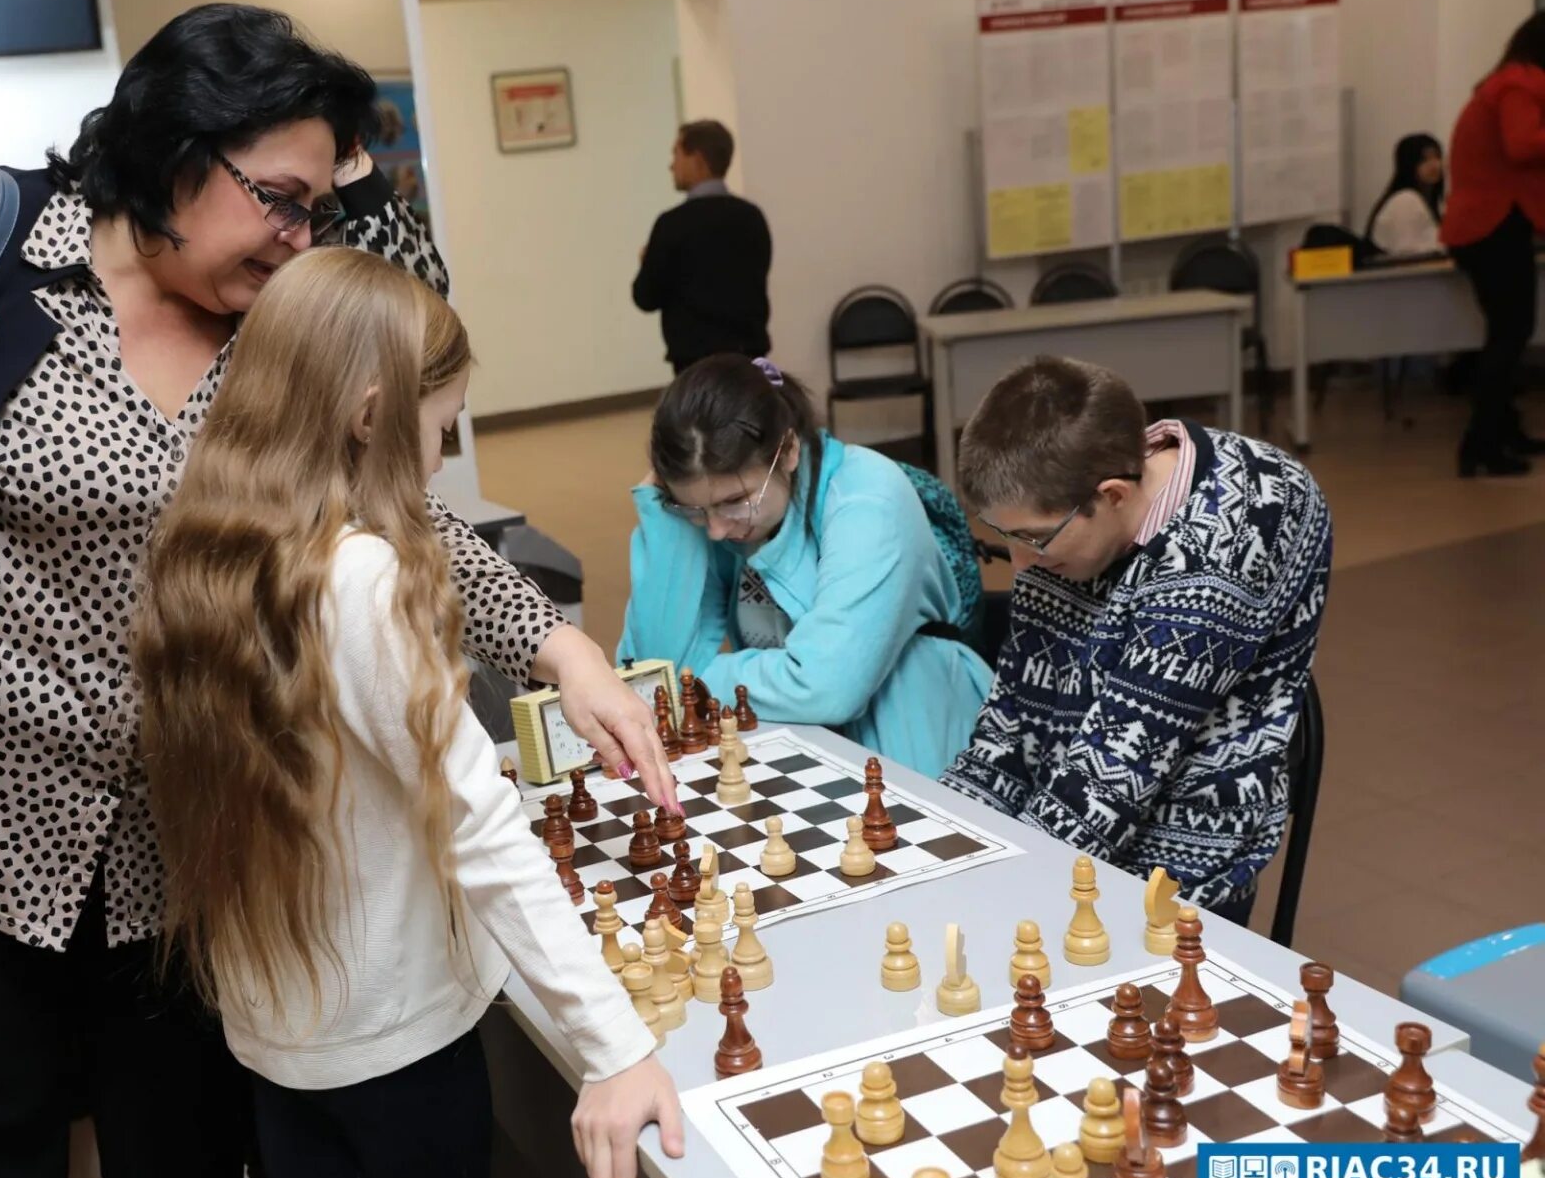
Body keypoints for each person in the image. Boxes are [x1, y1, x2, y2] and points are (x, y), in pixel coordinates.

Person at [0, 4, 674, 1178]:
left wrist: (560, 647)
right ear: (181, 147)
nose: (297, 237)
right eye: (276, 198)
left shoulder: (274, 327)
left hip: (192, 871)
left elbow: (387, 508)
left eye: (315, 212)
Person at [135, 246, 679, 1178]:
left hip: (277, 1031)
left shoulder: (208, 538)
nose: (440, 459)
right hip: (397, 1041)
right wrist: (616, 1045)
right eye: (440, 426)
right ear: (370, 413)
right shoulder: (360, 577)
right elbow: (482, 828)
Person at [940, 357, 1331, 926]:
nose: (1020, 565)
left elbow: (1113, 777)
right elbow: (1011, 716)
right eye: (1007, 537)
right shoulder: (1078, 485)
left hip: (1177, 862)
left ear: (1115, 496)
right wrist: (944, 834)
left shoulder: (1234, 538)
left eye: (1032, 539)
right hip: (1066, 812)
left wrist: (992, 897)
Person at [619, 354, 992, 777]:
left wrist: (688, 682)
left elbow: (826, 688)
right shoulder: (714, 518)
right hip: (793, 737)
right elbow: (645, 671)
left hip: (912, 736)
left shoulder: (868, 497)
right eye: (695, 510)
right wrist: (666, 520)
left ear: (790, 450)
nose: (718, 531)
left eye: (735, 502)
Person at [1441, 11, 1545, 477]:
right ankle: (1480, 444)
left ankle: (1503, 431)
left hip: (1485, 226)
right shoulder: (1521, 84)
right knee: (1509, 335)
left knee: (1508, 333)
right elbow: (1523, 145)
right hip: (1494, 226)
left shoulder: (1506, 80)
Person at [632, 120, 772, 373]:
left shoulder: (672, 225)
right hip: (749, 356)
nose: (671, 165)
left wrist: (648, 263)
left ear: (696, 159)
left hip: (695, 363)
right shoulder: (752, 217)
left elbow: (645, 297)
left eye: (676, 154)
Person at [1365, 133, 1445, 256]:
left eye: (1437, 157)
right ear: (1409, 164)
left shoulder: (1431, 203)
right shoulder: (1405, 200)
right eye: (1424, 160)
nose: (1434, 165)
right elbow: (1407, 254)